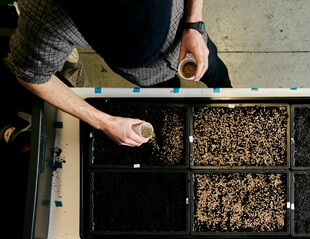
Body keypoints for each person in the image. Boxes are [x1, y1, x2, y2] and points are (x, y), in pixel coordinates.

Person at [4, 0, 231, 147]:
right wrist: (104, 122)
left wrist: (193, 23)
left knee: (216, 73)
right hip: (146, 75)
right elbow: (30, 76)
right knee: (162, 92)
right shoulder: (43, 11)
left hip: (187, 31)